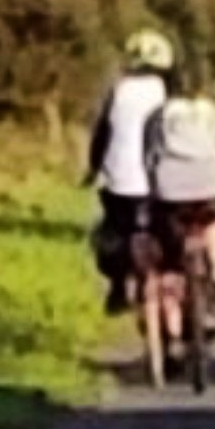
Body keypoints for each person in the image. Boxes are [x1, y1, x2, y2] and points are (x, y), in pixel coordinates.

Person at [144, 62, 215, 320]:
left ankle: (173, 314)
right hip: (212, 181)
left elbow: (148, 156)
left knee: (169, 249)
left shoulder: (158, 115)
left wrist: (151, 188)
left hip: (170, 188)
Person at [85, 29, 173, 314]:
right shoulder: (167, 91)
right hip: (162, 180)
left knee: (112, 230)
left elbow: (102, 134)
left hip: (120, 182)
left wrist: (93, 168)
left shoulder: (119, 90)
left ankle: (118, 285)